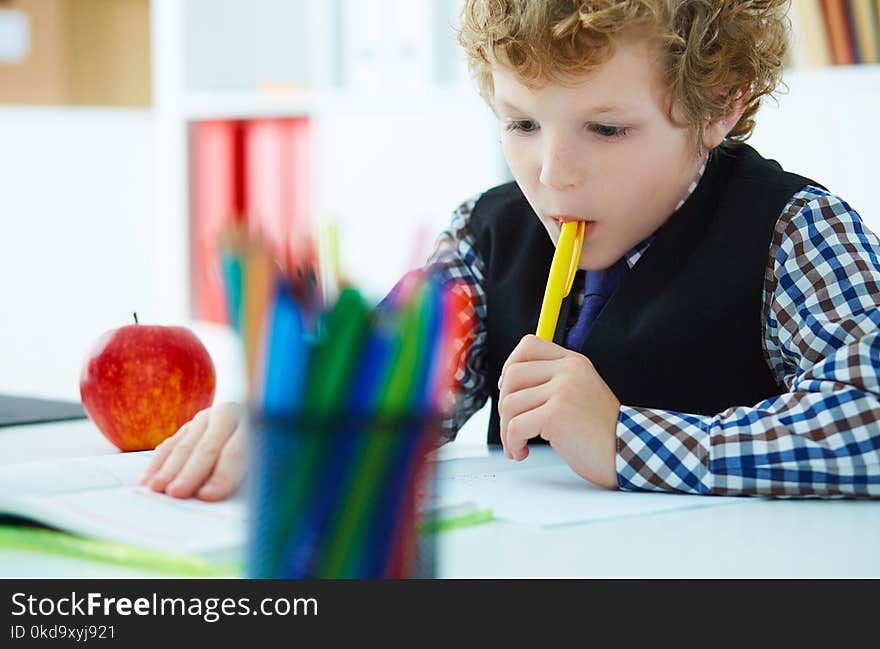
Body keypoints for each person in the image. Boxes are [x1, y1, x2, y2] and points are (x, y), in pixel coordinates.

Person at [140, 0, 880, 501]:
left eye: (606, 129)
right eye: (522, 125)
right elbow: (391, 391)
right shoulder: (482, 235)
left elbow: (870, 421)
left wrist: (626, 439)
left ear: (721, 102)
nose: (552, 175)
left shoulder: (794, 230)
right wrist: (297, 420)